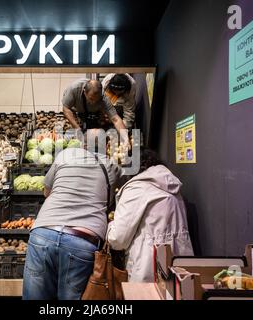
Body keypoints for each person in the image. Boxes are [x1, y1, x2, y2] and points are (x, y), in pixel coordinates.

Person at [22, 130, 122, 300]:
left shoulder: (65, 155)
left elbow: (47, 192)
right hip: (82, 240)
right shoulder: (112, 166)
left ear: (80, 142)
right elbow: (112, 198)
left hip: (44, 232)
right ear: (106, 146)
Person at [107, 149, 194, 283]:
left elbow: (118, 239)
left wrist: (110, 226)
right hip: (179, 265)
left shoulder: (137, 188)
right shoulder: (171, 186)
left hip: (148, 267)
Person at [62, 79, 127, 133]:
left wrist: (126, 139)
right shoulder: (74, 89)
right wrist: (77, 129)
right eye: (91, 99)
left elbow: (116, 119)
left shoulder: (103, 97)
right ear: (85, 92)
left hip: (94, 112)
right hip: (76, 108)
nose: (94, 102)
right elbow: (66, 108)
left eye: (97, 99)